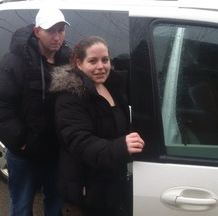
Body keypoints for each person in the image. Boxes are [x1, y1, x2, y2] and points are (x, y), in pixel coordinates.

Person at [0, 6, 71, 216]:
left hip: (56, 150)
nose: (57, 37)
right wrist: (20, 139)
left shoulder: (68, 60)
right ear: (37, 31)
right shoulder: (14, 62)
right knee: (21, 205)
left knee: (55, 201)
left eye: (61, 30)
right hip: (24, 153)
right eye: (51, 30)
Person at [50, 36, 145, 216]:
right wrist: (121, 146)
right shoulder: (69, 97)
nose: (101, 66)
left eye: (105, 60)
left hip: (112, 183)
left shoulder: (112, 85)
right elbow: (81, 143)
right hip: (87, 187)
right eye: (92, 61)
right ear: (79, 63)